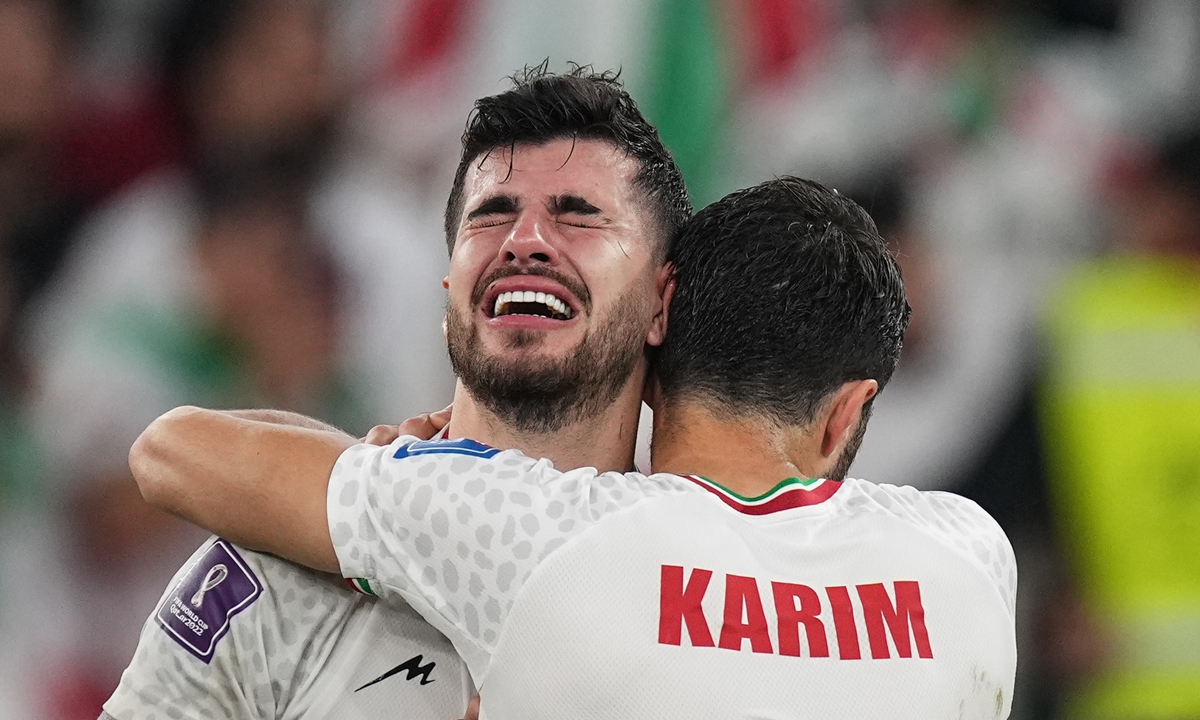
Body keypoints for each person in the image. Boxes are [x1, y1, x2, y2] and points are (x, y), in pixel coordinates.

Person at [131, 177, 1018, 718]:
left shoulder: (542, 533)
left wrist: (397, 466)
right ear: (846, 411)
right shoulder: (972, 557)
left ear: (657, 334)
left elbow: (175, 452)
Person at [100, 65, 691, 720]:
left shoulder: (702, 608)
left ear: (661, 305)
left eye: (578, 217)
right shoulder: (278, 573)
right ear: (450, 295)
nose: (525, 242)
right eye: (491, 217)